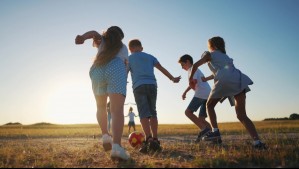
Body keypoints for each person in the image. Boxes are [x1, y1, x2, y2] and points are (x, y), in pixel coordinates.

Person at [189, 36, 266, 149]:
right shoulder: (225, 56)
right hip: (238, 78)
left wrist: (191, 79)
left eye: (209, 46)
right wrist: (207, 79)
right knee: (241, 115)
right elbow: (222, 71)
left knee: (209, 106)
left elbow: (195, 65)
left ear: (213, 46)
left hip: (224, 80)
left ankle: (215, 132)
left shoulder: (209, 54)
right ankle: (257, 142)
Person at [75, 26, 130, 160]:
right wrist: (123, 78)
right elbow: (126, 66)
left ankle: (105, 136)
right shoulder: (123, 48)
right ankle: (116, 147)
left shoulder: (103, 41)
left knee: (100, 107)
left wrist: (82, 37)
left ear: (107, 33)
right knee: (116, 110)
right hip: (116, 67)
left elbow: (93, 33)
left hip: (97, 68)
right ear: (120, 37)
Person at [127, 39, 181, 153]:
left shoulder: (129, 58)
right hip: (152, 85)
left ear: (130, 49)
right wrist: (172, 78)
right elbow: (161, 68)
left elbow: (125, 73)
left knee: (143, 113)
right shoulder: (150, 56)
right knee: (153, 111)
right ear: (141, 48)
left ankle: (148, 138)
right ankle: (155, 139)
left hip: (138, 86)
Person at [178, 54, 212, 143]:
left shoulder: (192, 69)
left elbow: (194, 82)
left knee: (188, 112)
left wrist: (193, 90)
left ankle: (204, 130)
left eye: (182, 65)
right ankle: (213, 135)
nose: (182, 67)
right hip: (207, 93)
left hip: (201, 93)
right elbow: (193, 83)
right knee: (201, 119)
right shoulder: (194, 70)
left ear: (188, 62)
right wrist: (185, 92)